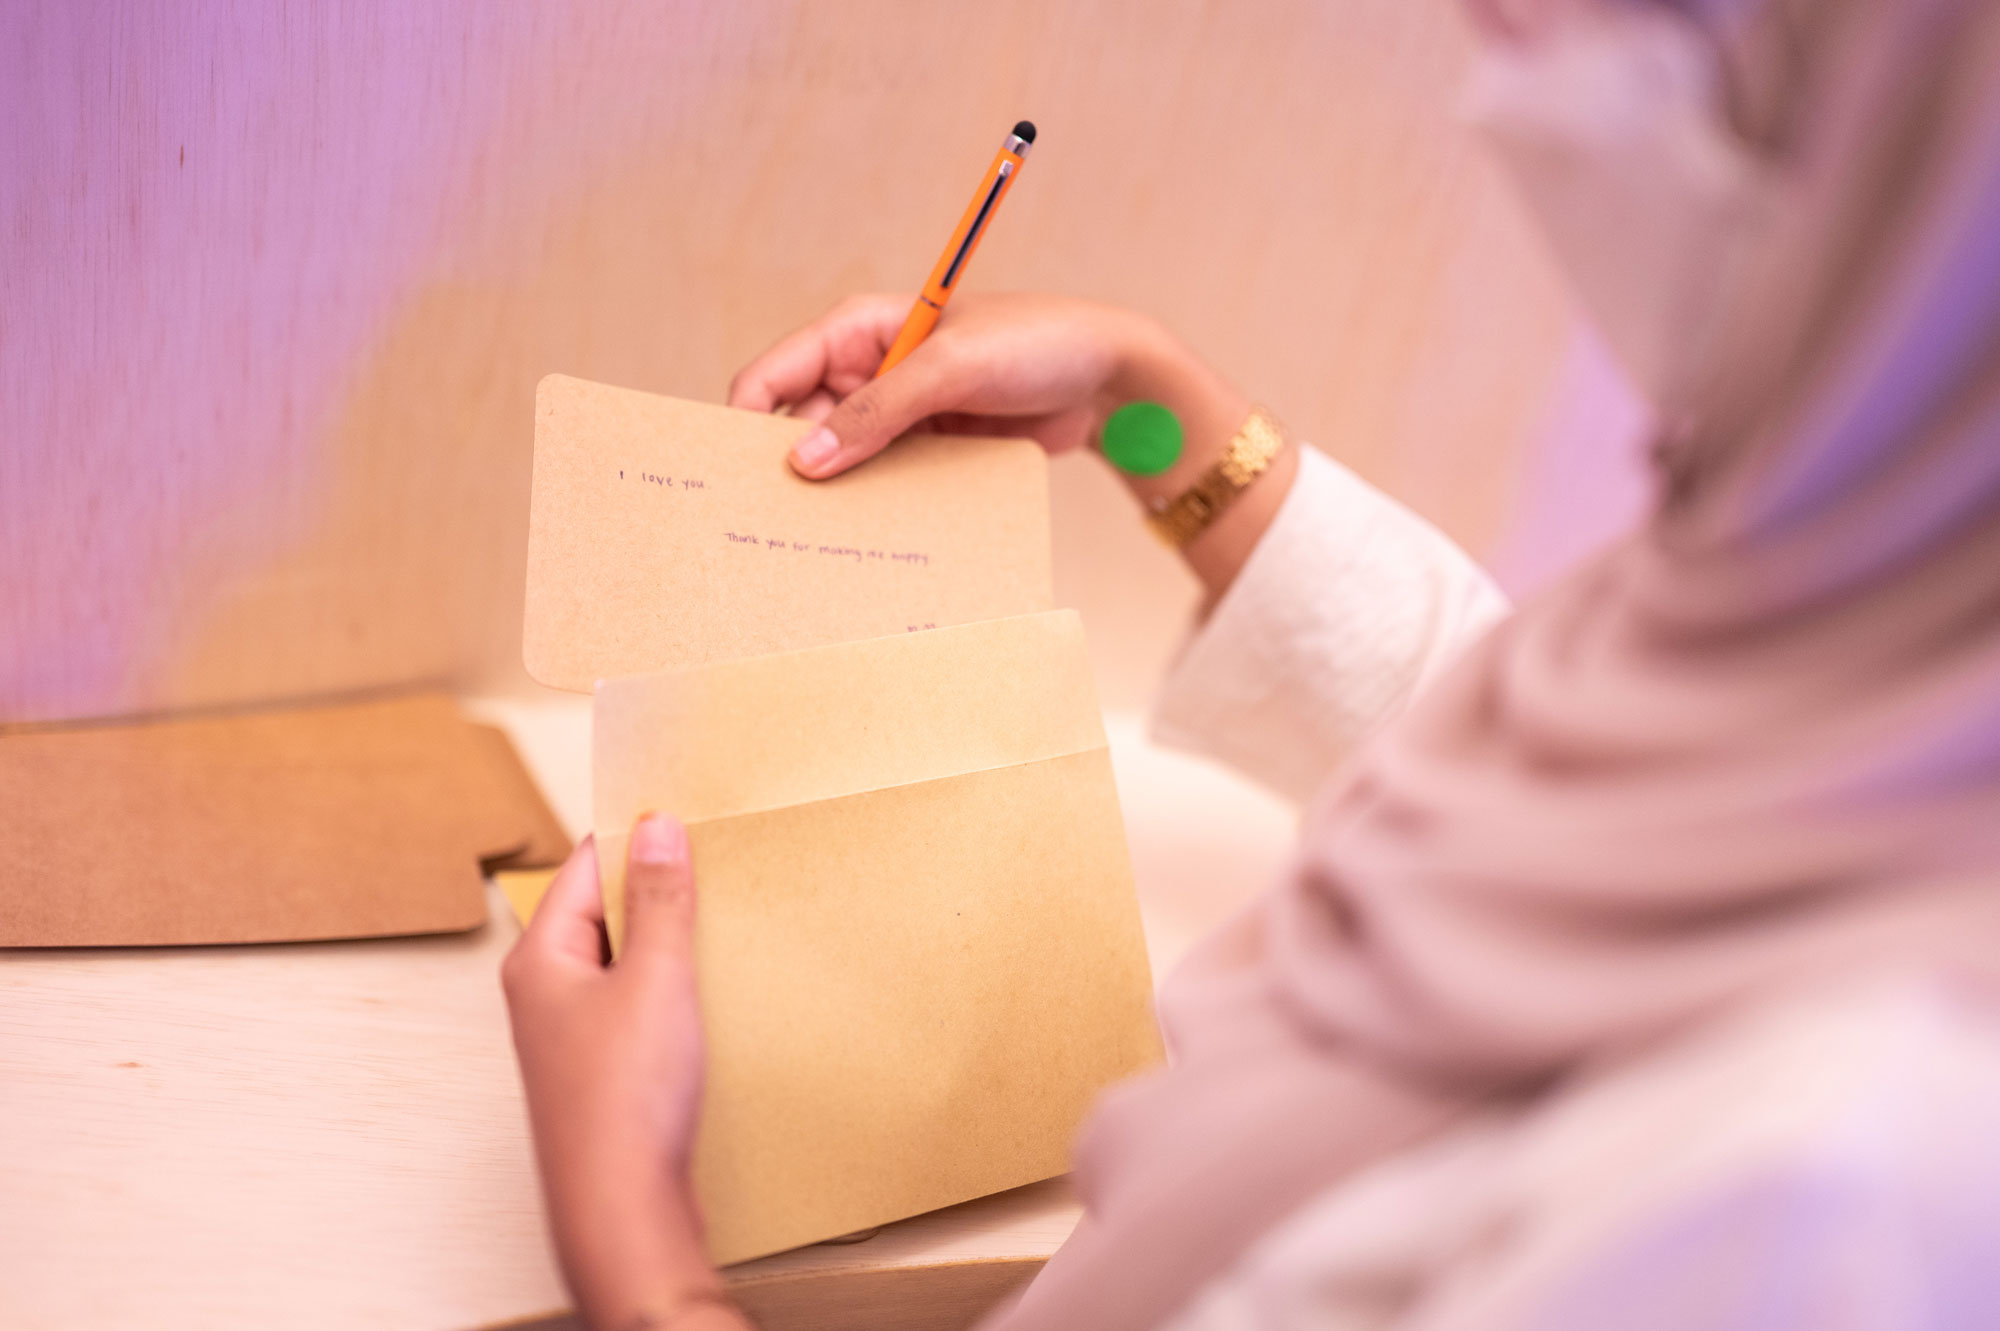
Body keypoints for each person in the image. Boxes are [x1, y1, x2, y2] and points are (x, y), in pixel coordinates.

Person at [502, 0, 2000, 1326]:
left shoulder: (1841, 1187)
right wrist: (1141, 411)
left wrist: (641, 1254)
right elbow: (1481, 700)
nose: (1496, 18)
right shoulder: (1849, 623)